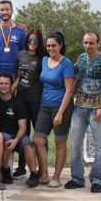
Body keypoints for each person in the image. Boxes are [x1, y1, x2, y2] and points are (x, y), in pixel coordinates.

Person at [65, 31, 101, 194]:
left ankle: (97, 180)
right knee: (74, 145)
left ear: (98, 44)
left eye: (91, 43)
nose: (88, 46)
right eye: (85, 42)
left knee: (100, 146)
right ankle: (77, 179)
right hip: (79, 108)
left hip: (96, 110)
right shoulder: (81, 58)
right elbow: (69, 73)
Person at [33, 32, 74, 187]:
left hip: (61, 106)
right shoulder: (44, 60)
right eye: (48, 45)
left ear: (60, 46)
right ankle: (44, 175)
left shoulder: (66, 64)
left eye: (54, 45)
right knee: (38, 140)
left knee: (59, 142)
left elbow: (69, 90)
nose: (51, 48)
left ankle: (56, 178)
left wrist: (60, 112)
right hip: (44, 105)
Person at [0, 74, 40, 187]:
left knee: (27, 144)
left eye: (6, 83)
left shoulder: (18, 103)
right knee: (8, 140)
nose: (3, 86)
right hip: (2, 134)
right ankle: (5, 170)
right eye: (1, 83)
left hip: (17, 134)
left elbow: (23, 128)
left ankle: (34, 174)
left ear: (11, 85)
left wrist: (16, 140)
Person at [12, 28, 45, 177]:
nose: (32, 43)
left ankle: (42, 169)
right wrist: (10, 93)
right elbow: (18, 77)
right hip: (21, 99)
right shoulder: (21, 55)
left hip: (36, 100)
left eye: (35, 41)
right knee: (23, 133)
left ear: (40, 42)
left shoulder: (43, 57)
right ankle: (21, 167)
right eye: (30, 40)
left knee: (39, 135)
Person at [0, 0, 27, 90]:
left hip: (12, 71)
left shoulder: (20, 32)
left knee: (8, 100)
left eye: (7, 9)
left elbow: (23, 53)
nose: (5, 12)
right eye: (2, 10)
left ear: (12, 11)